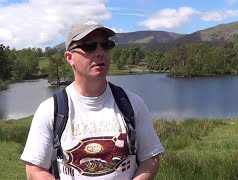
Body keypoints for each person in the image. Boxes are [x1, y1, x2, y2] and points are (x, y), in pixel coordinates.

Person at [21, 20, 164, 180]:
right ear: (70, 57)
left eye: (105, 45)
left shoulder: (132, 104)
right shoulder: (50, 110)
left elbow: (150, 158)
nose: (100, 52)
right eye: (89, 46)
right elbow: (35, 170)